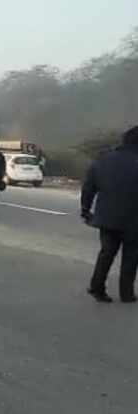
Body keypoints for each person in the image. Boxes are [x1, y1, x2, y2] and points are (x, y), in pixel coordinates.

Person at [81, 126, 138, 303]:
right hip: (134, 218)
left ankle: (97, 287)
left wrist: (85, 209)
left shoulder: (103, 159)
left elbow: (88, 187)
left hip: (107, 216)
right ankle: (126, 293)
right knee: (131, 256)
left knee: (107, 252)